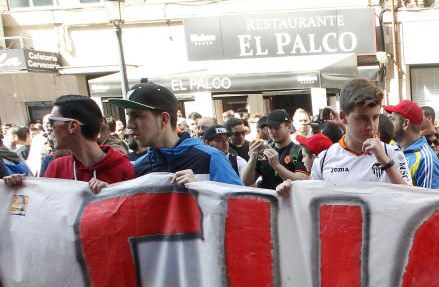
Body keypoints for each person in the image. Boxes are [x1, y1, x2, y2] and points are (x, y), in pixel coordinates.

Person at [286, 78, 411, 192]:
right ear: (343, 117)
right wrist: (288, 193)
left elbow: (411, 199)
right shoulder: (325, 159)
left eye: (375, 117)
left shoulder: (392, 153)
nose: (371, 126)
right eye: (362, 118)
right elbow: (312, 202)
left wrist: (386, 163)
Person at [111, 83, 241, 186]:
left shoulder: (211, 158)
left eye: (137, 116)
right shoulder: (139, 166)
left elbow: (240, 208)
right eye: (129, 116)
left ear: (163, 119)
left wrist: (201, 189)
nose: (129, 125)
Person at [3, 95, 134, 194]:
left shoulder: (123, 169)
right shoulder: (56, 167)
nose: (49, 128)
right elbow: (41, 210)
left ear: (72, 126)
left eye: (52, 121)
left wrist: (110, 195)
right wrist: (19, 188)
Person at [242, 109, 309, 190]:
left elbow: (302, 182)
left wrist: (276, 165)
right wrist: (252, 158)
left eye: (277, 127)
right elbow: (246, 181)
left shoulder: (298, 151)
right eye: (270, 128)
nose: (273, 132)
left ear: (289, 126)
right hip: (267, 200)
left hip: (289, 201)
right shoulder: (264, 151)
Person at [386, 99, 439, 189]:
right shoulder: (392, 148)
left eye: (392, 119)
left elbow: (429, 200)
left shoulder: (426, 160)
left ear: (405, 124)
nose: (389, 124)